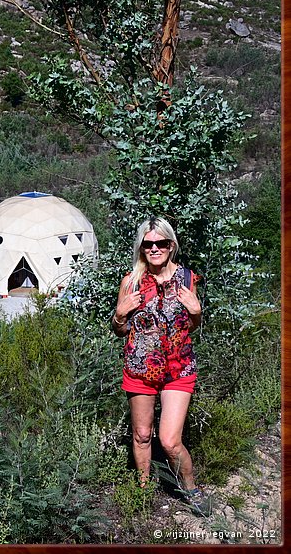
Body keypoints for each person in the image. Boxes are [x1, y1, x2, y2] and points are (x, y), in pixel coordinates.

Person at [111, 216, 211, 516]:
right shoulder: (130, 282)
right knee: (142, 435)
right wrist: (120, 314)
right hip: (140, 370)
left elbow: (190, 326)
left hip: (177, 370)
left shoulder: (188, 278)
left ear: (171, 245)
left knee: (168, 440)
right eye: (148, 243)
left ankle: (191, 489)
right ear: (141, 247)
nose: (154, 248)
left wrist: (197, 313)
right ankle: (143, 492)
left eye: (161, 243)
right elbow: (119, 329)